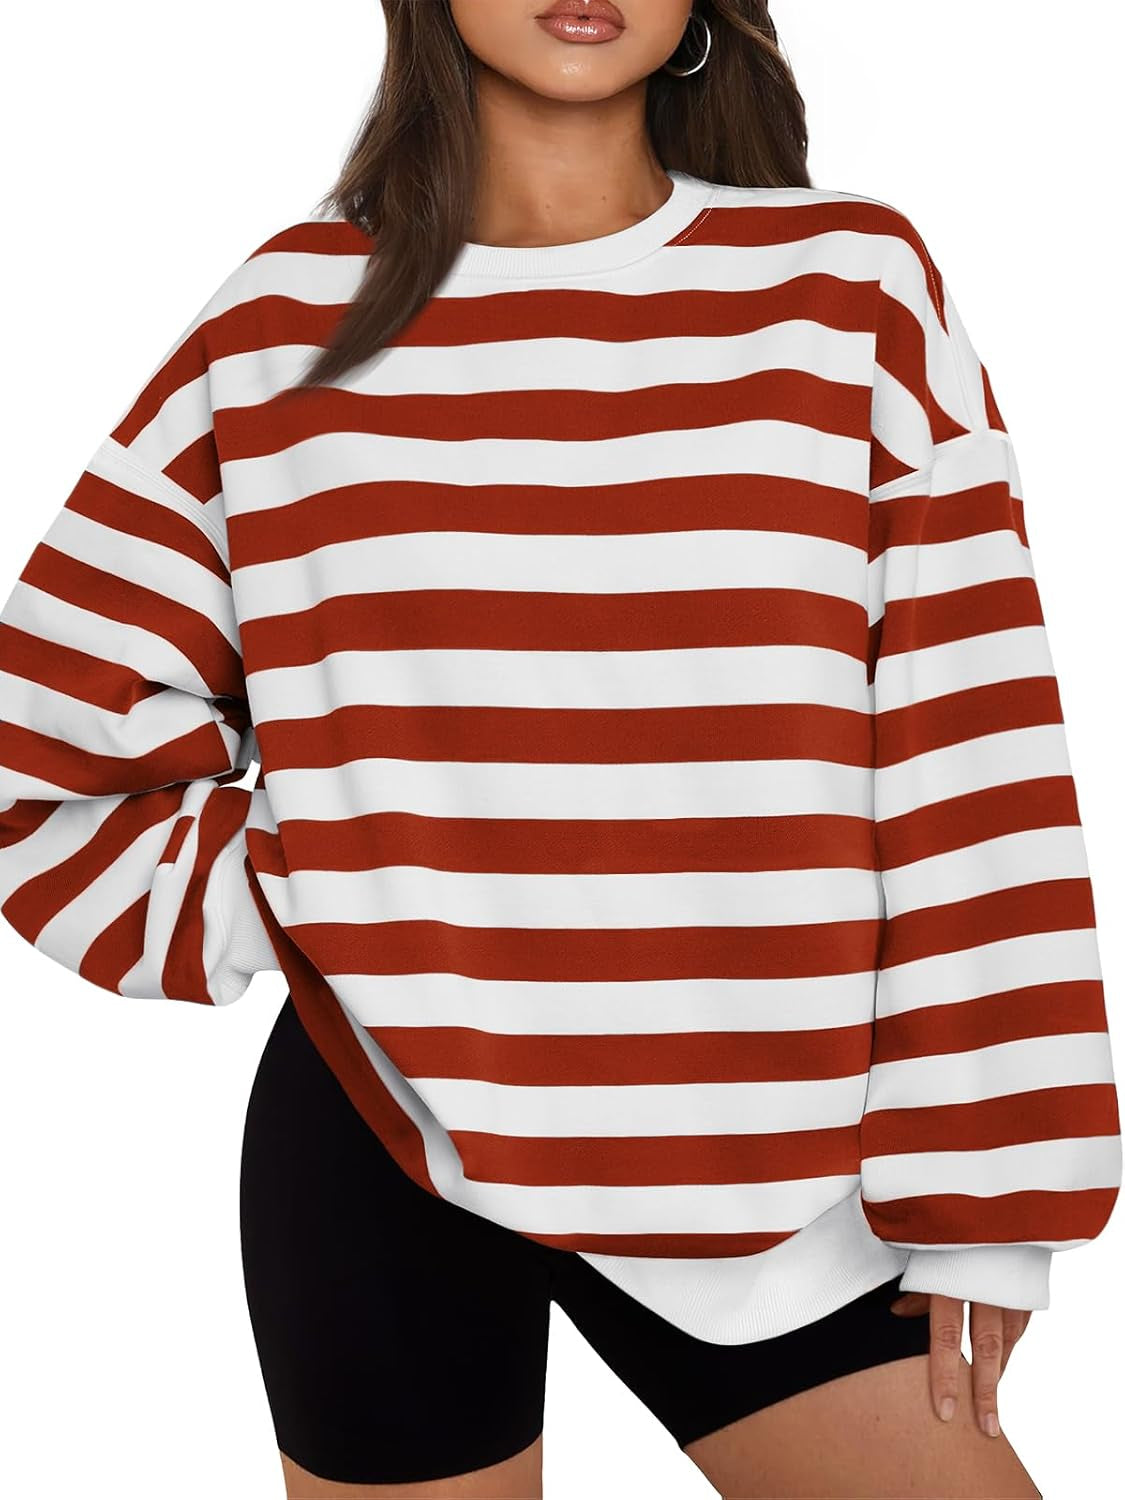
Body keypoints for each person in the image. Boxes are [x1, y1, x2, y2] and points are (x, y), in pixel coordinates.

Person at [0, 2, 1119, 1496]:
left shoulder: (848, 287)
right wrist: (317, 883)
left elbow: (969, 740)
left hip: (781, 1166)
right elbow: (47, 739)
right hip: (382, 1125)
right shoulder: (279, 324)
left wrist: (989, 1187)